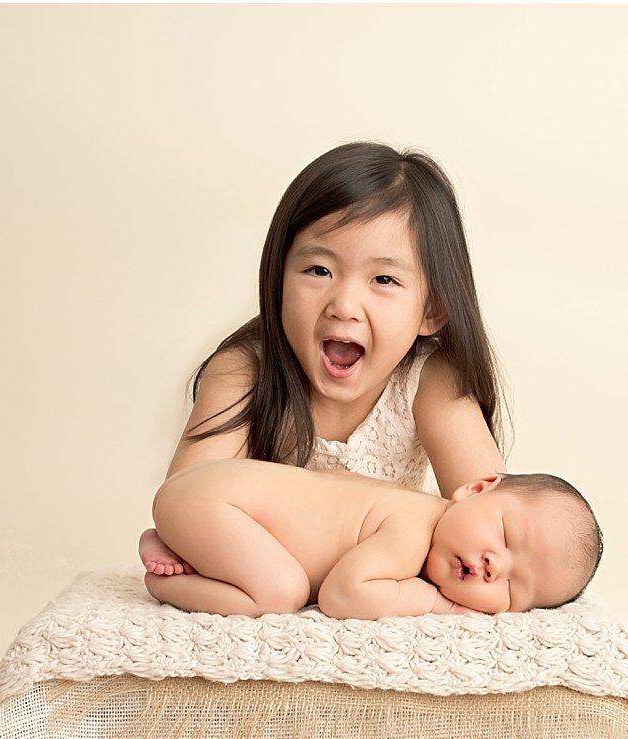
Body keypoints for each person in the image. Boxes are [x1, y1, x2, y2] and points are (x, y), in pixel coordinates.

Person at [140, 141, 509, 575]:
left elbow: (493, 519)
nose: (344, 304)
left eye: (384, 279)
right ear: (277, 279)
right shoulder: (244, 373)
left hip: (372, 583)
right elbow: (183, 501)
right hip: (267, 578)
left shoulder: (431, 381)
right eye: (319, 271)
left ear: (432, 310)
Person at [144, 459, 603, 620]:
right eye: (505, 535)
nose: (493, 566)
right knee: (280, 593)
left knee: (268, 570)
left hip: (205, 493)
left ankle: (182, 546)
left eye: (511, 588)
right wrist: (434, 603)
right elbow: (344, 595)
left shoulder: (409, 505)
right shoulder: (412, 529)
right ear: (476, 489)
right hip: (214, 503)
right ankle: (164, 581)